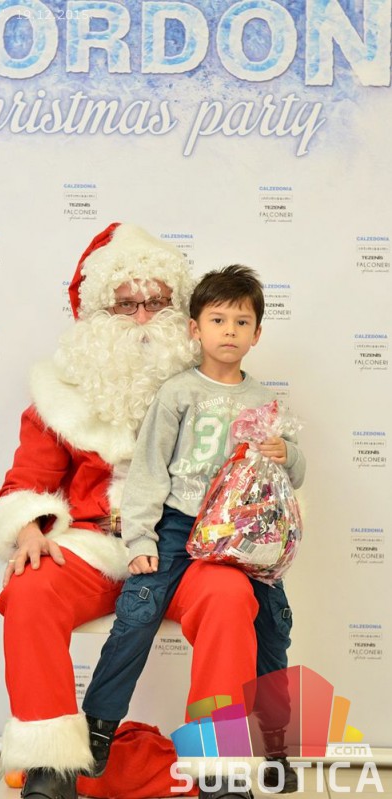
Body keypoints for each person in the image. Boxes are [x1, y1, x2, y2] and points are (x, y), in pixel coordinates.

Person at [0, 226, 299, 799]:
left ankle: (220, 765)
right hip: (94, 544)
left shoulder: (211, 388)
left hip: (189, 544)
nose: (140, 317)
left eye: (155, 301)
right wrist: (28, 526)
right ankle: (51, 765)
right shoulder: (61, 394)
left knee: (230, 596)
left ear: (182, 314)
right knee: (30, 591)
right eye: (124, 303)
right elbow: (27, 479)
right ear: (96, 313)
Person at [82, 265, 306, 793]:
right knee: (137, 614)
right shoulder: (178, 392)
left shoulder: (265, 400)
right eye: (218, 319)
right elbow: (148, 470)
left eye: (241, 322)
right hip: (179, 526)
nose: (229, 331)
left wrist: (288, 453)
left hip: (240, 533)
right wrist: (140, 538)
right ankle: (98, 728)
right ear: (194, 328)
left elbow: (290, 476)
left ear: (257, 334)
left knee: (273, 628)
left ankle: (274, 746)